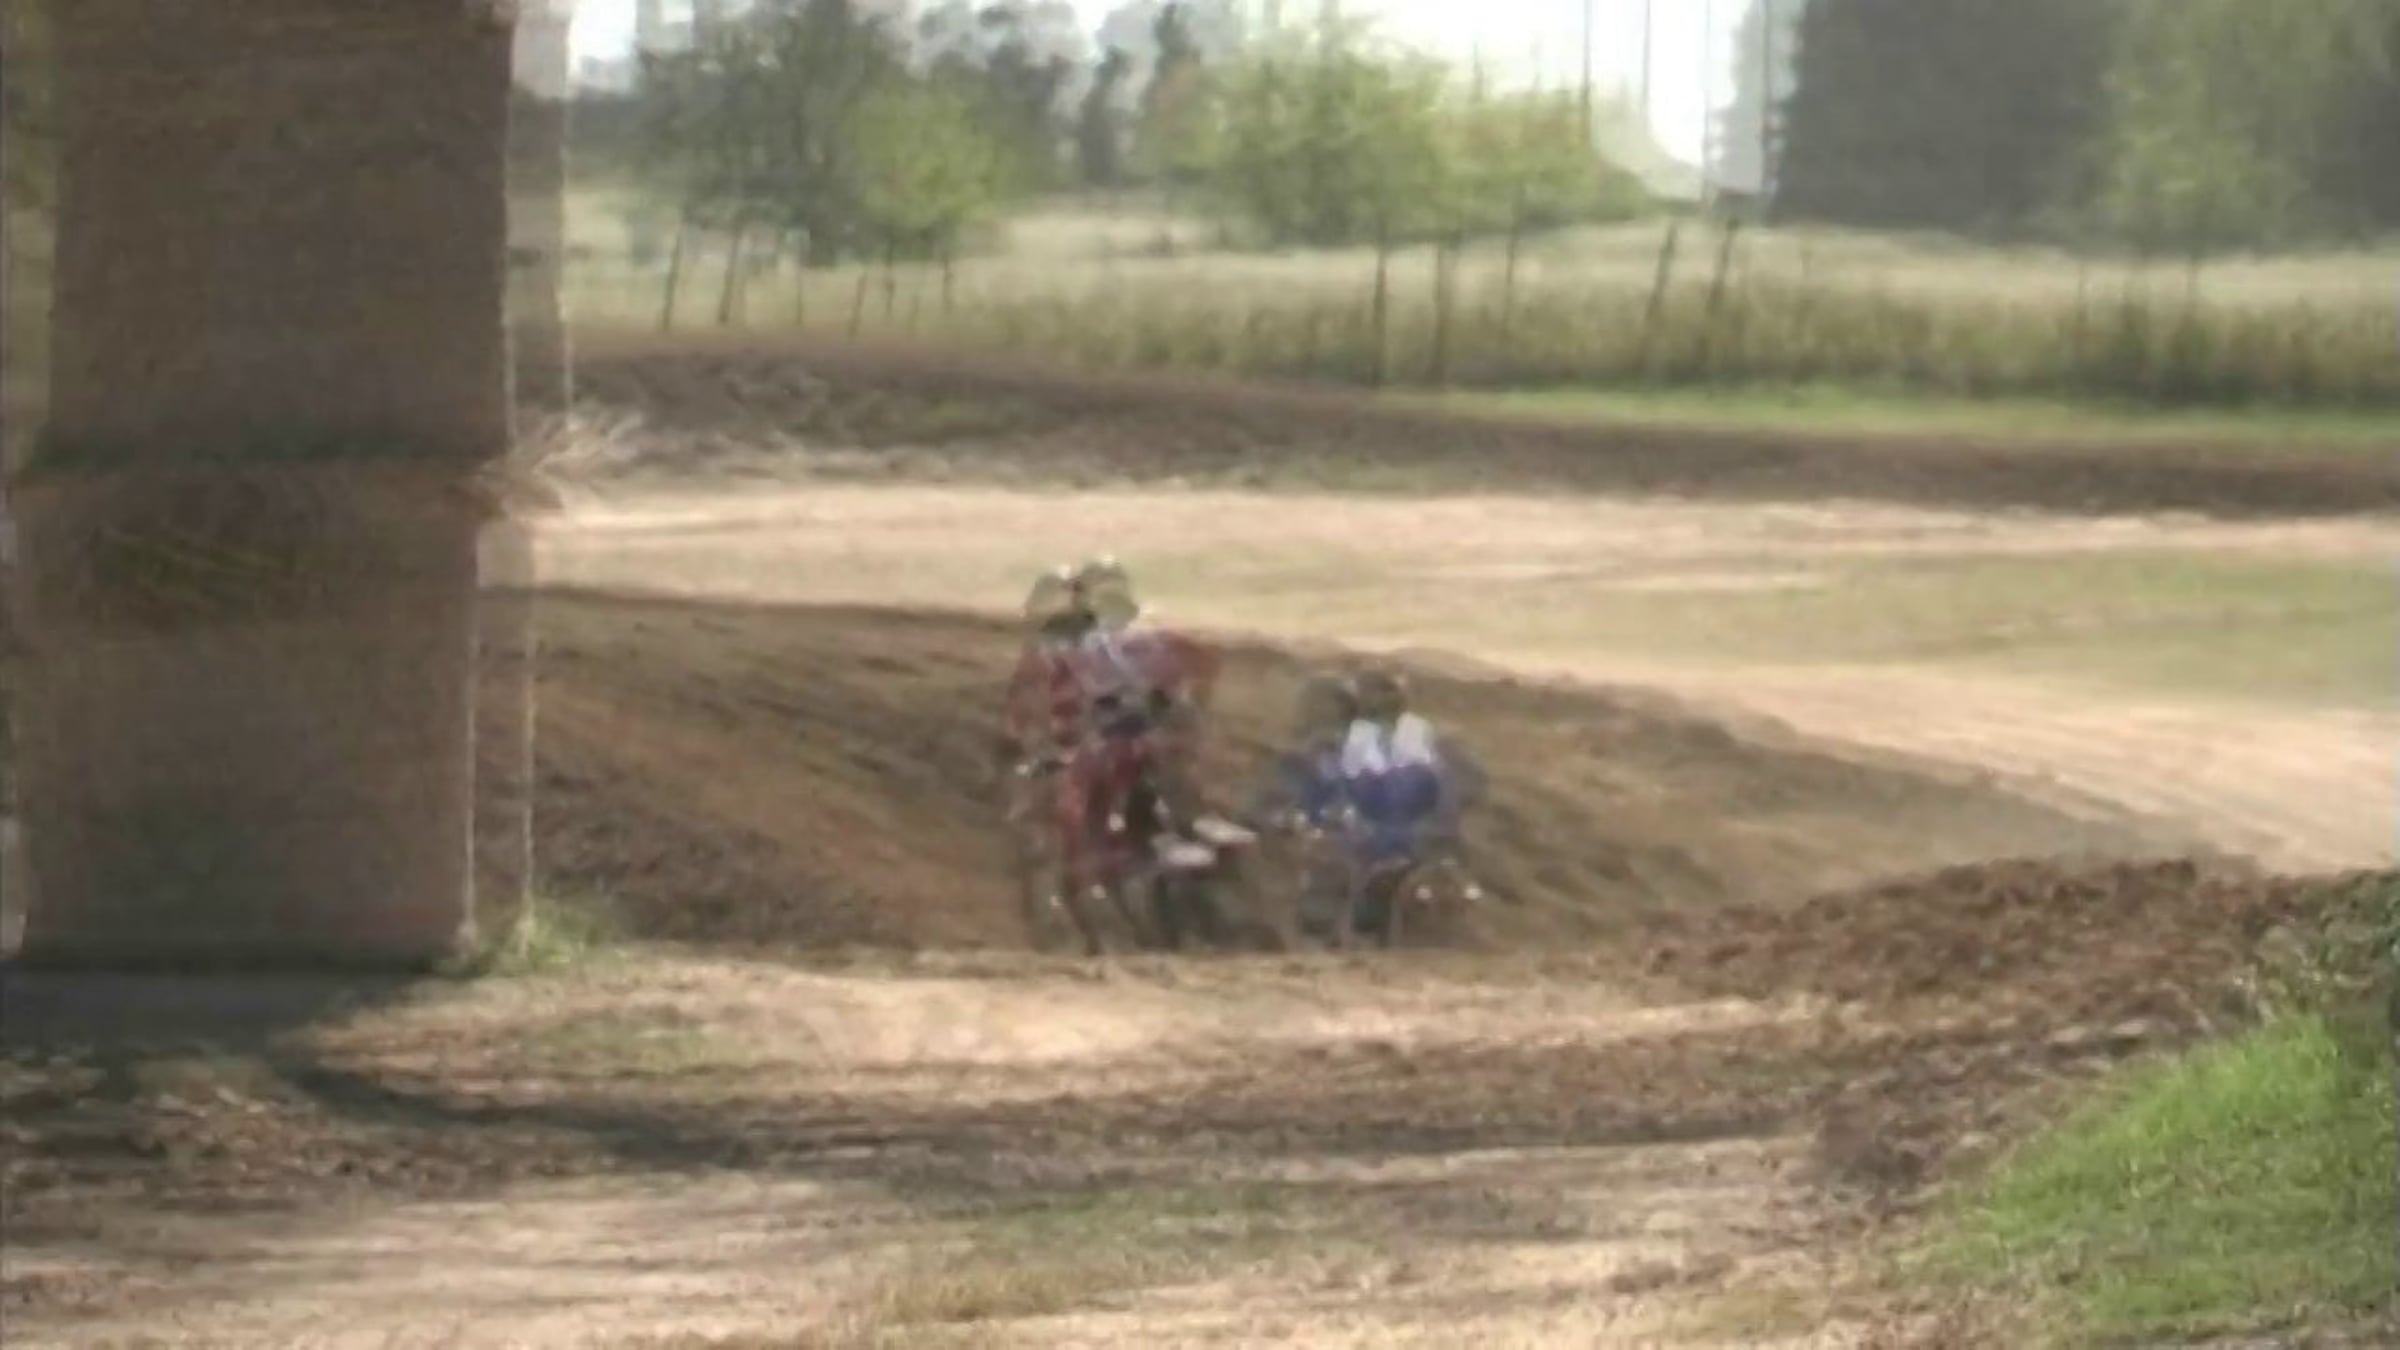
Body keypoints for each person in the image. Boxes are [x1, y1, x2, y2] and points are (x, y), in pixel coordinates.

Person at [1338, 666, 1482, 867]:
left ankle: (1403, 844)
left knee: (1413, 779)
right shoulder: (1358, 731)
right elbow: (1350, 776)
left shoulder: (1417, 727)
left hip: (1410, 804)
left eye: (1388, 693)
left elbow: (1432, 774)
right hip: (1376, 806)